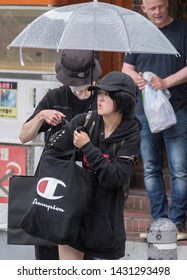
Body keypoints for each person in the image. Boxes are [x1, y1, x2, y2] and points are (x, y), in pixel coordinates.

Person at [46, 71, 141, 259]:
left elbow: (115, 176)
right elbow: (51, 153)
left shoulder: (131, 136)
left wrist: (87, 147)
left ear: (123, 101)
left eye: (107, 95)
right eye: (100, 93)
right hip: (73, 211)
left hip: (106, 218)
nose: (100, 98)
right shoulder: (84, 122)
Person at [19, 49, 102, 260]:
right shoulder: (56, 96)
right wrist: (40, 117)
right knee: (46, 248)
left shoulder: (102, 100)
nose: (75, 85)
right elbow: (23, 136)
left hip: (85, 183)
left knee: (80, 249)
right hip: (52, 181)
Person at [122, 0, 187, 240]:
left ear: (167, 5)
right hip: (144, 112)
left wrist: (166, 82)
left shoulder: (182, 30)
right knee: (150, 169)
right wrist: (136, 78)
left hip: (177, 109)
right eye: (152, 8)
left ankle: (178, 224)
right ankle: (160, 223)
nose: (157, 12)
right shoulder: (139, 34)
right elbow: (126, 67)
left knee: (180, 170)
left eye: (160, 6)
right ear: (143, 9)